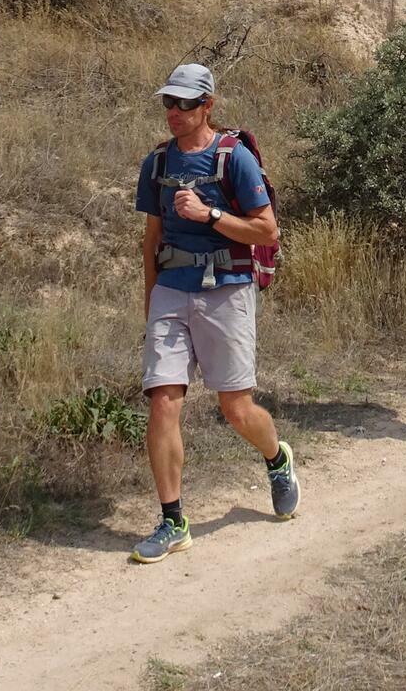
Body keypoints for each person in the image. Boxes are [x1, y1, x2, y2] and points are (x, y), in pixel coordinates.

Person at [130, 63, 298, 562]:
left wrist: (212, 216)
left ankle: (276, 456)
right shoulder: (156, 164)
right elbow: (151, 240)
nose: (174, 113)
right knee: (163, 400)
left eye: (185, 104)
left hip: (226, 288)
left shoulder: (235, 159)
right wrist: (150, 302)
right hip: (171, 289)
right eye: (168, 103)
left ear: (208, 105)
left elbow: (268, 232)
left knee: (236, 409)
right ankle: (172, 520)